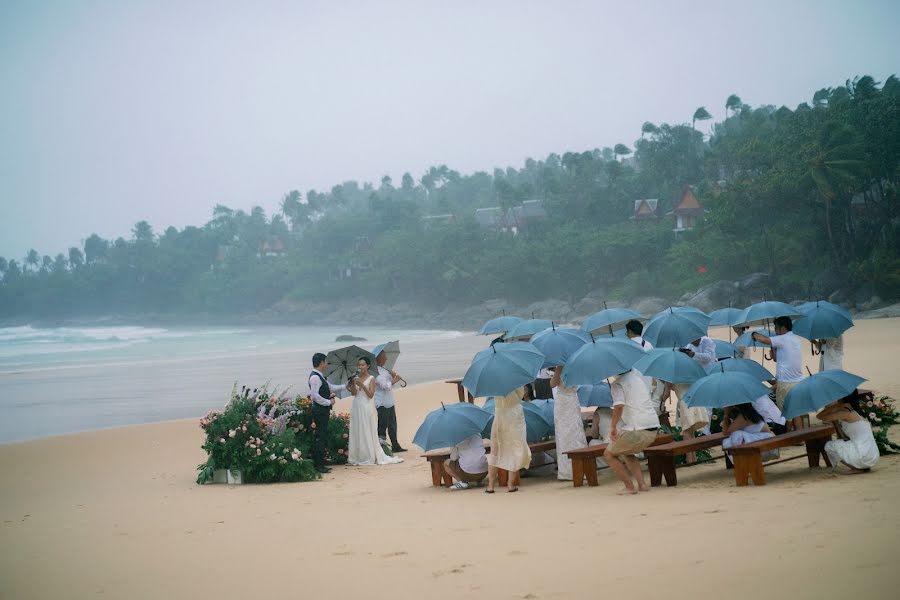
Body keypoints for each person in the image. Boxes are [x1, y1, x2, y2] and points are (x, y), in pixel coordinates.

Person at [603, 369, 660, 495]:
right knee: (627, 452)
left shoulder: (617, 384)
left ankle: (629, 486)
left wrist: (613, 426)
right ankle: (642, 485)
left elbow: (619, 406)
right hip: (652, 426)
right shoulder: (637, 378)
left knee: (609, 454)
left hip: (637, 428)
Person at [665, 335, 715, 463]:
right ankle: (693, 457)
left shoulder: (673, 374)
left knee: (686, 431)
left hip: (686, 402)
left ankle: (690, 459)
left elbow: (667, 392)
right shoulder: (689, 369)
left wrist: (664, 393)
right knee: (690, 430)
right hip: (693, 398)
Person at [347, 357, 403, 466]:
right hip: (356, 405)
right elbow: (354, 393)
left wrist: (362, 385)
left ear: (367, 366)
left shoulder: (372, 378)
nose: (360, 367)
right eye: (359, 365)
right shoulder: (356, 378)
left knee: (366, 429)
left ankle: (368, 455)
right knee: (357, 429)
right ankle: (357, 455)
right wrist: (353, 384)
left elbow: (370, 394)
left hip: (366, 406)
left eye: (363, 365)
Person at [752, 317, 805, 431]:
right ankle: (799, 437)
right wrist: (773, 347)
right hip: (798, 381)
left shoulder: (784, 338)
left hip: (786, 383)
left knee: (786, 412)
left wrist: (754, 334)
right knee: (795, 412)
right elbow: (777, 359)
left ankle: (789, 436)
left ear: (783, 328)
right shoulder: (795, 339)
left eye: (776, 328)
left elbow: (765, 340)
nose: (775, 331)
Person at [816, 391, 879, 474]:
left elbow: (820, 417)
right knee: (842, 444)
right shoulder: (858, 411)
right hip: (872, 455)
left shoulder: (845, 413)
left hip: (863, 456)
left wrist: (832, 406)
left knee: (829, 446)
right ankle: (862, 466)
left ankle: (857, 467)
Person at [485, 387, 532, 493]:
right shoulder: (514, 379)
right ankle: (510, 484)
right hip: (514, 414)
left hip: (499, 414)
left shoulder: (494, 381)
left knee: (495, 450)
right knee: (516, 449)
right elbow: (520, 395)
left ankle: (491, 485)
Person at [308, 352, 348, 474]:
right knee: (320, 437)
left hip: (322, 411)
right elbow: (314, 396)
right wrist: (328, 402)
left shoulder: (320, 376)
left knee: (322, 436)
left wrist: (345, 386)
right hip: (319, 411)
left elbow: (330, 387)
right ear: (321, 363)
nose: (326, 364)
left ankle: (321, 462)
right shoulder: (315, 377)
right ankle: (319, 465)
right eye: (325, 361)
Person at [626, 319, 668, 426]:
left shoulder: (626, 346)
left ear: (630, 331)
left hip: (633, 386)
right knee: (648, 411)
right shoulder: (648, 345)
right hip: (648, 384)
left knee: (636, 414)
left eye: (627, 332)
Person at [550, 366, 588, 481]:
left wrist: (555, 372)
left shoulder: (560, 366)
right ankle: (582, 467)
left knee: (564, 434)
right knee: (575, 431)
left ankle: (567, 471)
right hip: (573, 398)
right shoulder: (576, 364)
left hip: (563, 401)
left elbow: (553, 384)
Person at [374, 350, 406, 452]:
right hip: (382, 402)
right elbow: (385, 386)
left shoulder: (385, 369)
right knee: (382, 426)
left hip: (389, 401)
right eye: (384, 356)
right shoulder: (376, 372)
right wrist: (395, 380)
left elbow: (390, 385)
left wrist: (392, 376)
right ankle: (382, 448)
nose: (386, 358)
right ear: (378, 358)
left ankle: (395, 445)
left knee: (392, 424)